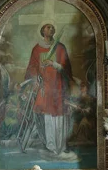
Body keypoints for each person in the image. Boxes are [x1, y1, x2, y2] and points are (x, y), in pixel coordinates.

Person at [25, 23, 76, 159]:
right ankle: (51, 146)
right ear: (42, 31)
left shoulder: (60, 47)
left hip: (58, 86)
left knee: (59, 116)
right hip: (45, 87)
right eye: (48, 27)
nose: (51, 29)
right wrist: (36, 79)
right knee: (48, 116)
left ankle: (61, 146)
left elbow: (67, 67)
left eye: (53, 27)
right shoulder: (37, 49)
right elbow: (32, 67)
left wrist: (54, 64)